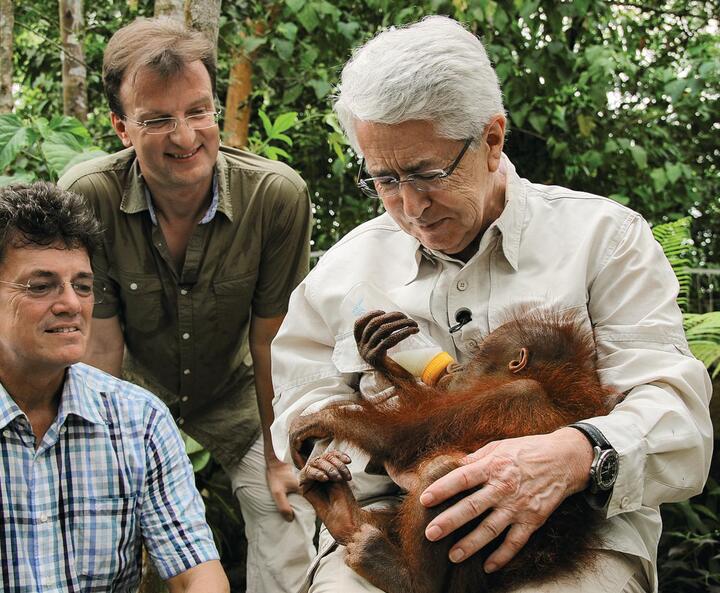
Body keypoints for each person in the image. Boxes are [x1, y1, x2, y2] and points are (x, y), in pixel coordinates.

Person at [270, 16, 713, 593]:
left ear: (492, 139)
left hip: (573, 540)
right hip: (393, 525)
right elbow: (304, 400)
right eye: (384, 179)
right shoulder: (346, 269)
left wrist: (574, 454)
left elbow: (676, 417)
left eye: (428, 174)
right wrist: (355, 455)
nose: (410, 206)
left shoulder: (605, 240)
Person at [58, 17, 315, 593]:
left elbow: (273, 338)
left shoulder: (275, 196)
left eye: (198, 111)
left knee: (291, 523)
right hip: (135, 395)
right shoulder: (89, 194)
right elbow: (99, 342)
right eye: (157, 120)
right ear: (121, 127)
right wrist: (106, 455)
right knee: (114, 533)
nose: (184, 136)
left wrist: (279, 455)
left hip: (241, 399)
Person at [0, 182, 229, 593]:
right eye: (41, 285)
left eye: (83, 285)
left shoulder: (137, 421)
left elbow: (197, 573)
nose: (71, 303)